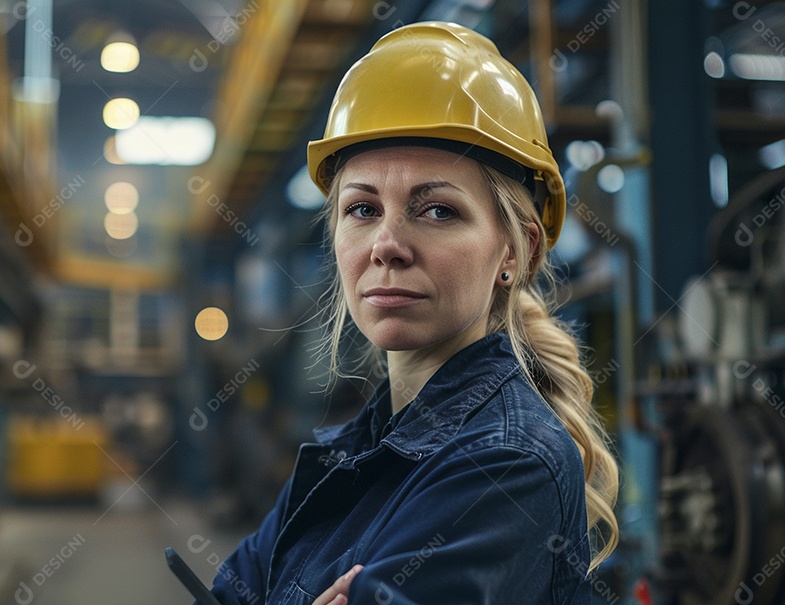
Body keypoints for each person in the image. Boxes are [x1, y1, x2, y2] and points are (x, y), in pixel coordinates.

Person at [208, 21, 618, 605]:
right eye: (363, 208)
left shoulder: (506, 467)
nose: (386, 244)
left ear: (514, 250)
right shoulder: (350, 451)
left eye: (437, 211)